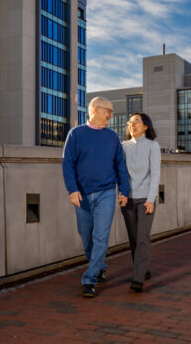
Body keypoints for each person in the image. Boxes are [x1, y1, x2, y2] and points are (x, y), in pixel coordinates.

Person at [62, 97, 131, 298]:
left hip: (106, 193)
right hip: (81, 195)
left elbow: (120, 166)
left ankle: (89, 280)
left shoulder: (112, 137)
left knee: (101, 236)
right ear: (94, 110)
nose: (111, 115)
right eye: (108, 110)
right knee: (86, 235)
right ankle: (99, 265)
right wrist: (72, 190)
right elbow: (67, 164)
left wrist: (124, 191)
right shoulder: (76, 134)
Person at [120, 112, 161, 293]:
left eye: (137, 121)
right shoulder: (123, 147)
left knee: (143, 238)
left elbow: (155, 175)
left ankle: (137, 279)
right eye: (130, 122)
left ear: (146, 126)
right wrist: (122, 193)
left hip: (145, 199)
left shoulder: (153, 146)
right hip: (128, 199)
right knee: (134, 239)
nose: (132, 124)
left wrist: (151, 199)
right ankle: (143, 269)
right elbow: (120, 174)